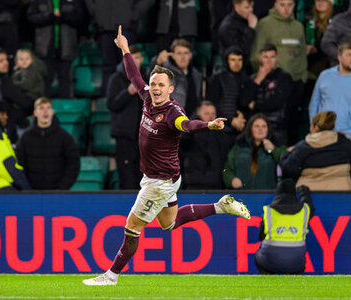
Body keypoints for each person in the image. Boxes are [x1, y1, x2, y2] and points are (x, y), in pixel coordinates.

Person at [82, 26, 250, 286]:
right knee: (168, 224)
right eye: (154, 84)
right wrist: (125, 48)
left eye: (161, 85)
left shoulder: (172, 112)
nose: (155, 88)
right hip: (165, 176)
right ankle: (220, 206)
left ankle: (111, 275)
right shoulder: (148, 98)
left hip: (160, 181)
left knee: (132, 227)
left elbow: (187, 125)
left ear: (171, 89)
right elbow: (134, 76)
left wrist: (208, 125)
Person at [250, 0, 307, 145]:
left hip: (296, 82)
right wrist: (262, 76)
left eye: (290, 5)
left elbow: (302, 54)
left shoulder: (298, 26)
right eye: (282, 5)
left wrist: (303, 76)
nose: (286, 9)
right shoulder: (265, 24)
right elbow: (257, 53)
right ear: (275, 5)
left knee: (293, 126)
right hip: (272, 82)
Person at [84, 0, 154, 96]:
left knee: (127, 66)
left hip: (127, 27)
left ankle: (130, 99)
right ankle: (107, 101)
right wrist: (96, 11)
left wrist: (133, 13)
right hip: (104, 28)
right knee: (108, 66)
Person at [308, 43, 351, 144]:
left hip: (348, 134)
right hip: (323, 132)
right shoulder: (325, 76)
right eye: (349, 55)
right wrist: (314, 128)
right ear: (339, 57)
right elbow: (314, 104)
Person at [280, 111, 351, 190]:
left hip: (309, 194)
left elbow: (288, 169)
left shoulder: (302, 147)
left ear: (315, 127)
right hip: (343, 191)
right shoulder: (345, 143)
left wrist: (287, 153)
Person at [15, 97, 80, 190]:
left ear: (52, 112)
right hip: (33, 193)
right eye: (41, 108)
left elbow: (73, 164)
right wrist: (27, 188)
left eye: (48, 108)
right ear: (35, 113)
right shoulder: (25, 138)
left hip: (57, 194)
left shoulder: (64, 137)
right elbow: (19, 164)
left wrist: (62, 188)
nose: (45, 111)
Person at [27, 0, 87, 98]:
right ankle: (43, 110)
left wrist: (64, 17)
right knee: (45, 81)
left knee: (66, 80)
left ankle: (67, 109)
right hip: (44, 48)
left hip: (67, 47)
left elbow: (80, 18)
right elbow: (31, 17)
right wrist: (48, 17)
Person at [254, 180, 314, 274]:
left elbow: (260, 236)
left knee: (258, 255)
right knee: (300, 261)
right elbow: (310, 206)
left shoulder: (269, 210)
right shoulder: (304, 210)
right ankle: (294, 281)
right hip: (296, 261)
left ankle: (269, 281)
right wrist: (304, 192)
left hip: (271, 260)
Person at [106, 45, 145, 189]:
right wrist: (128, 92)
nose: (135, 61)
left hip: (143, 134)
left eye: (137, 58)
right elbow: (111, 104)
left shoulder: (146, 77)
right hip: (124, 135)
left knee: (142, 173)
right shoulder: (116, 79)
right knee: (126, 173)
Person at [243, 44, 293, 146]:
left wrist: (255, 106)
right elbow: (244, 101)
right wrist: (258, 80)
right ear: (260, 58)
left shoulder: (284, 77)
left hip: (277, 127)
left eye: (272, 57)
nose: (269, 61)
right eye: (265, 57)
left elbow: (277, 101)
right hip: (255, 130)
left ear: (277, 58)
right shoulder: (252, 79)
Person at [223, 114, 287, 190]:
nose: (260, 129)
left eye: (264, 126)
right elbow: (227, 169)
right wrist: (231, 180)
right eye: (257, 126)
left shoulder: (277, 146)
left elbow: (288, 164)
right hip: (242, 196)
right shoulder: (239, 147)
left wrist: (273, 150)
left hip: (268, 197)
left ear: (268, 129)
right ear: (250, 129)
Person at [207, 46, 249, 159]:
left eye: (239, 60)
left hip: (241, 131)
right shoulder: (217, 78)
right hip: (221, 131)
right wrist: (231, 121)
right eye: (233, 59)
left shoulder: (246, 79)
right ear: (227, 61)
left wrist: (241, 119)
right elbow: (212, 106)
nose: (237, 63)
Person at [180, 101, 227, 189]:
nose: (211, 117)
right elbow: (183, 141)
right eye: (206, 113)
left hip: (215, 184)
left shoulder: (220, 134)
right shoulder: (190, 133)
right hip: (194, 184)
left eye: (213, 113)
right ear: (198, 114)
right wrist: (193, 123)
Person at [150, 39, 202, 117]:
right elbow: (149, 78)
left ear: (190, 55)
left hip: (191, 120)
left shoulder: (196, 74)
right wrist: (157, 62)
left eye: (186, 53)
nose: (183, 57)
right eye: (179, 53)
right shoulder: (166, 71)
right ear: (173, 56)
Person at [217, 0, 257, 71]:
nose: (251, 10)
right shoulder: (228, 26)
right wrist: (250, 29)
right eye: (247, 7)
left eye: (252, 7)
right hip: (234, 72)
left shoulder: (248, 21)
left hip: (249, 70)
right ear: (236, 7)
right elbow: (238, 51)